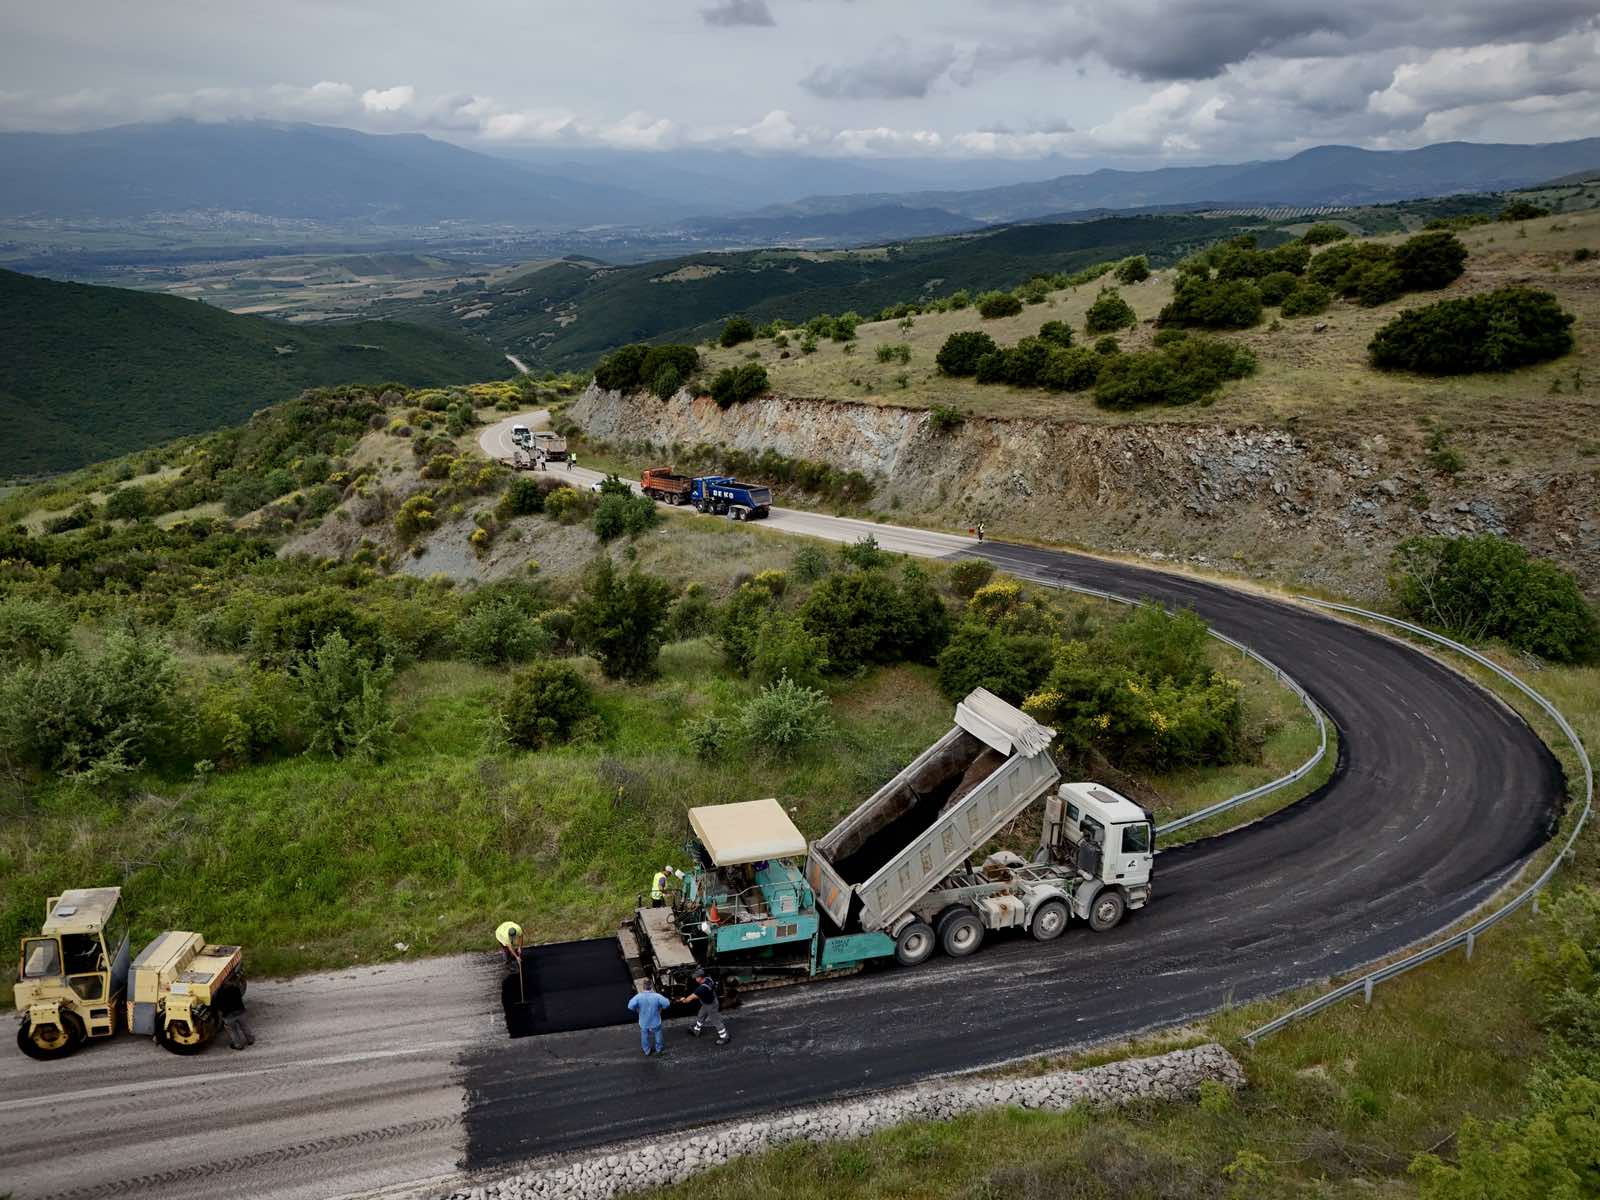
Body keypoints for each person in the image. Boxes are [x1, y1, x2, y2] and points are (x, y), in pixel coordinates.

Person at [680, 970, 728, 1044]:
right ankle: (696, 1030)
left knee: (716, 1021)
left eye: (696, 977)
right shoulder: (709, 979)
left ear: (700, 978)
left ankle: (724, 1037)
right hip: (709, 1002)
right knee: (701, 1015)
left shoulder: (702, 988)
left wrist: (684, 1000)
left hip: (711, 1005)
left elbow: (690, 998)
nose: (695, 979)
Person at [627, 987, 672, 1056]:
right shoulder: (657, 995)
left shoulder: (638, 996)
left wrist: (636, 1010)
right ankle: (658, 1049)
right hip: (655, 1020)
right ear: (651, 987)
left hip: (644, 1022)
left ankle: (647, 1051)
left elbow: (630, 1006)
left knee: (644, 1036)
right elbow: (667, 1004)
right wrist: (661, 1008)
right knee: (658, 1034)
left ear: (643, 987)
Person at [214, 976, 254, 1051]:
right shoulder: (235, 989)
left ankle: (238, 1045)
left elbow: (217, 1005)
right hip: (240, 1011)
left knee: (233, 1031)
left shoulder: (220, 993)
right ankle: (250, 1040)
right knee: (245, 1026)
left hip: (228, 1016)